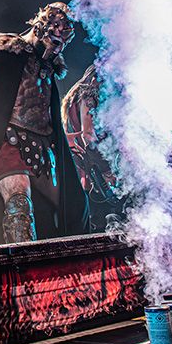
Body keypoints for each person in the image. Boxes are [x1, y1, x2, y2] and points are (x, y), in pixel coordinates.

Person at [0, 2, 89, 245]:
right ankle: (23, 265)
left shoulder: (49, 67)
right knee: (19, 202)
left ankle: (64, 264)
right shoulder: (6, 53)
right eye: (54, 37)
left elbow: (43, 109)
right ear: (40, 28)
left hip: (43, 147)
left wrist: (60, 137)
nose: (56, 46)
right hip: (8, 140)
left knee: (71, 206)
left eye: (61, 42)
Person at [61, 63, 121, 230]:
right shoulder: (89, 97)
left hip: (83, 168)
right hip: (92, 169)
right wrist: (106, 170)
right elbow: (88, 135)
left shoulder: (74, 97)